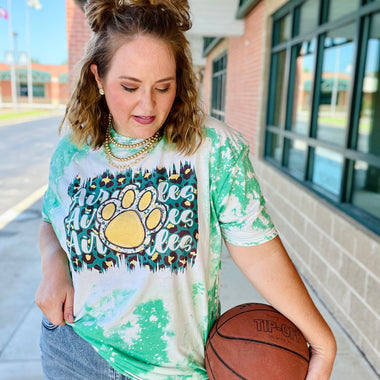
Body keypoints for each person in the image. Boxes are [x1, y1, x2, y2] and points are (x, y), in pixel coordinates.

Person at [35, 0, 337, 379]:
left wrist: (322, 341)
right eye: (129, 87)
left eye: (164, 87)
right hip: (76, 351)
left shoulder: (212, 148)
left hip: (176, 368)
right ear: (97, 77)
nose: (148, 105)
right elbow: (50, 221)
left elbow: (257, 251)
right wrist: (53, 265)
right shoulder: (72, 153)